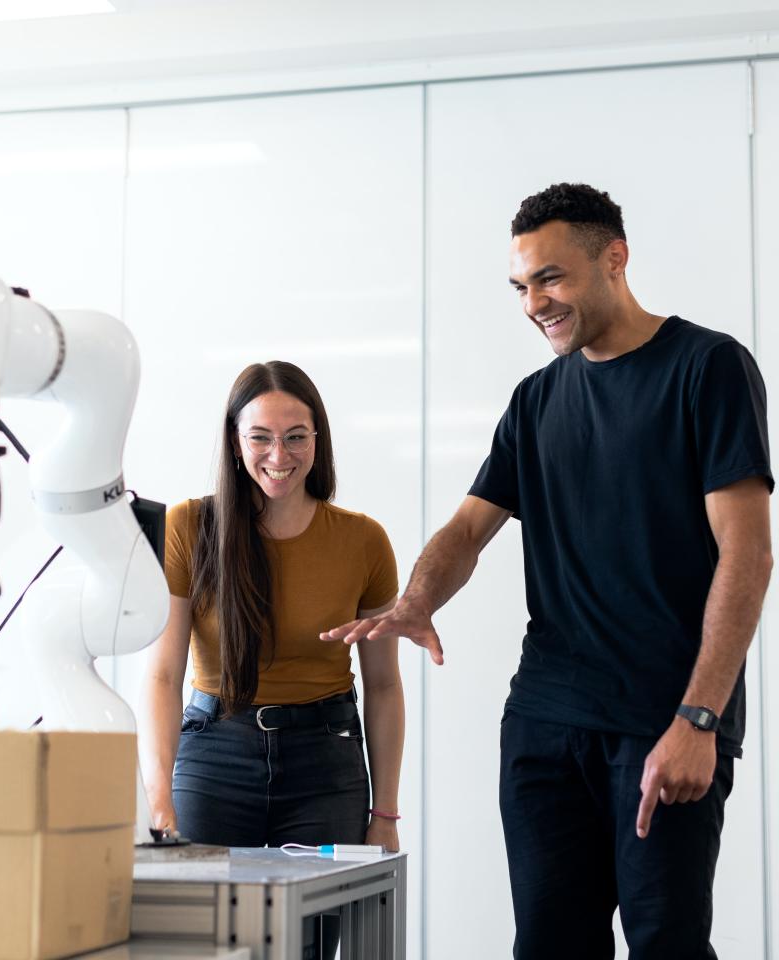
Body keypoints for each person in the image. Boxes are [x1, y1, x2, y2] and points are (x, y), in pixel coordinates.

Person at [322, 183, 773, 959]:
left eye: (551, 278)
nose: (534, 302)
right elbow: (469, 527)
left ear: (614, 260)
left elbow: (749, 554)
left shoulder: (708, 368)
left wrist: (700, 719)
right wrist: (417, 599)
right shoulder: (536, 401)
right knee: (549, 945)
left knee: (666, 943)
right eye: (522, 285)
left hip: (662, 721)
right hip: (545, 722)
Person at [139, 360, 404, 955]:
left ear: (318, 441)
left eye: (295, 437)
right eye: (259, 437)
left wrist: (384, 811)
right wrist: (160, 802)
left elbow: (383, 686)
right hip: (214, 756)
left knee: (305, 948)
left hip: (325, 763)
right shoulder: (189, 526)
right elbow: (162, 673)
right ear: (236, 444)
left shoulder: (364, 540)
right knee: (202, 946)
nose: (277, 455)